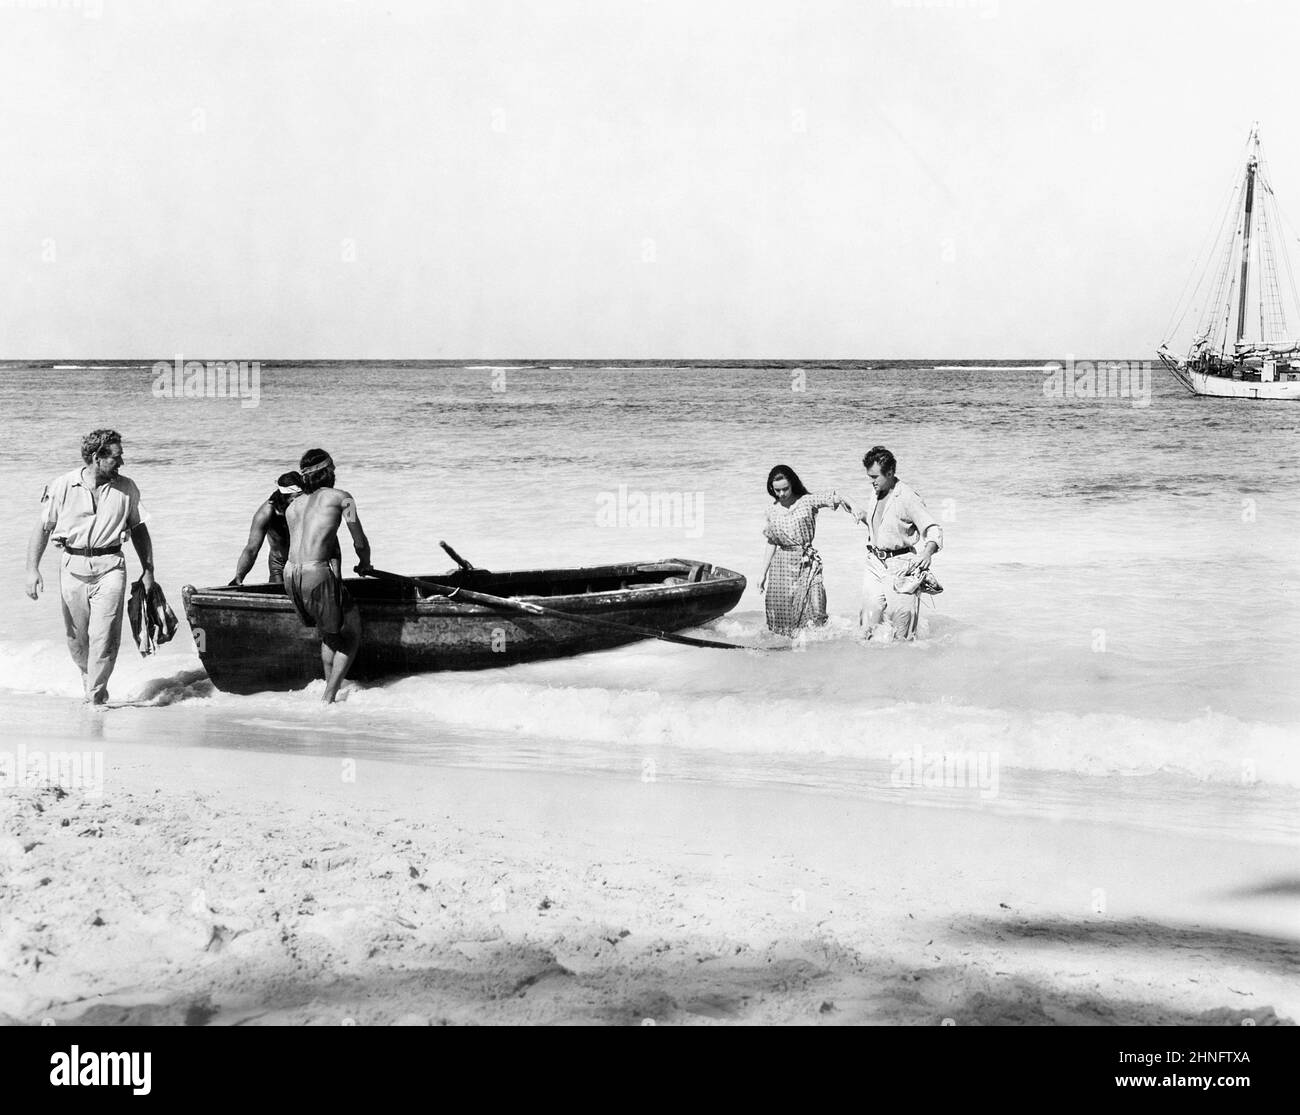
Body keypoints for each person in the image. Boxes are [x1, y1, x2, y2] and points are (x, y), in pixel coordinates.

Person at [24, 429, 156, 704]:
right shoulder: (62, 485)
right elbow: (43, 528)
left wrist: (148, 570)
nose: (122, 463)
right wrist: (32, 569)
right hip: (72, 567)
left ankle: (94, 698)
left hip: (111, 567)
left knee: (105, 637)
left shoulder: (127, 487)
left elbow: (139, 529)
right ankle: (93, 684)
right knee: (77, 641)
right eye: (116, 458)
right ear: (97, 457)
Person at [283, 449, 372, 703]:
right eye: (333, 468)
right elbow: (360, 540)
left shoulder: (293, 506)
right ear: (327, 472)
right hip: (316, 573)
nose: (335, 472)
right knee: (351, 632)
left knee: (329, 633)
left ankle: (330, 686)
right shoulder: (344, 499)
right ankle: (329, 697)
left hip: (291, 575)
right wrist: (365, 563)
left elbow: (311, 541)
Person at [855, 446, 943, 641]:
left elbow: (933, 530)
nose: (872, 482)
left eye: (875, 477)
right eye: (869, 477)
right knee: (867, 624)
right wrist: (862, 515)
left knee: (901, 632)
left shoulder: (908, 497)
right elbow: (884, 525)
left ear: (890, 472)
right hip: (874, 562)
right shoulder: (877, 490)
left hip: (901, 566)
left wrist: (927, 553)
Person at [759, 464, 854, 637]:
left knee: (817, 610)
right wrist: (762, 574)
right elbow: (771, 542)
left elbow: (834, 497)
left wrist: (854, 507)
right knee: (783, 619)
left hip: (807, 563)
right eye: (777, 490)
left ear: (793, 484)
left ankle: (820, 648)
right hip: (781, 568)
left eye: (785, 489)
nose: (781, 494)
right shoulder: (771, 511)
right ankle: (790, 652)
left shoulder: (806, 501)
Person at [230, 471, 303, 586]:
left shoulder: (308, 504)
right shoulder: (266, 513)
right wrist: (239, 576)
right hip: (280, 565)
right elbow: (252, 549)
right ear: (284, 497)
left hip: (307, 563)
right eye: (295, 499)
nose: (300, 502)